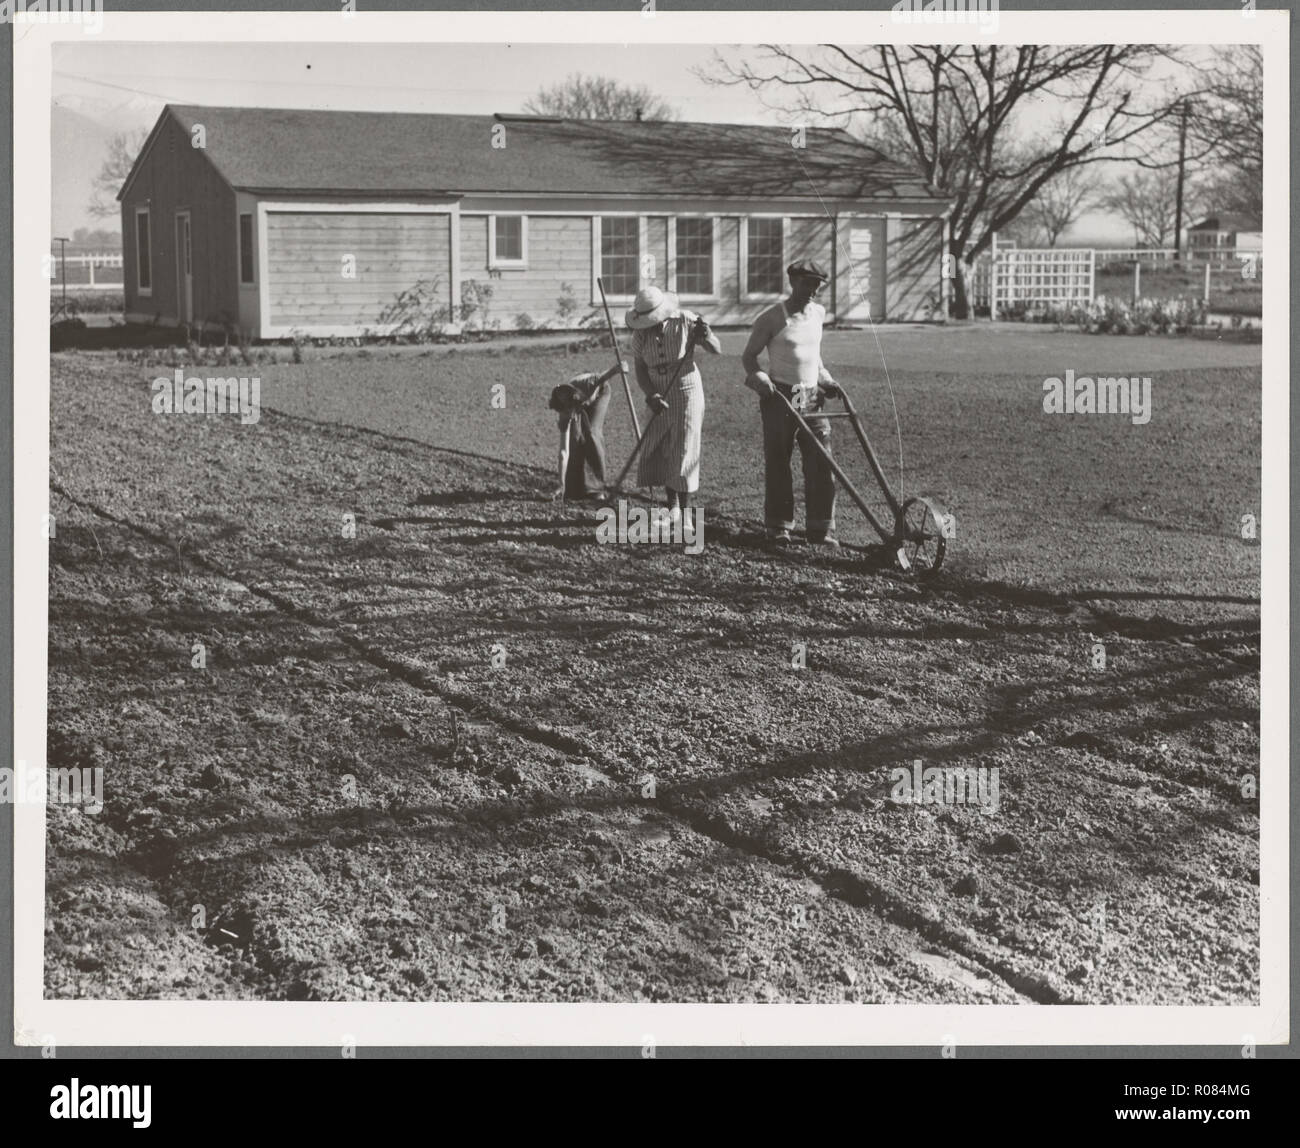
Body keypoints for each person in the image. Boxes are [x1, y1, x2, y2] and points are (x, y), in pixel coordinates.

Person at [741, 259, 842, 547]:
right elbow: (749, 356)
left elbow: (815, 355)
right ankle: (779, 526)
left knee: (822, 462)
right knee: (779, 462)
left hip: (811, 396)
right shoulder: (772, 317)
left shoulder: (818, 314)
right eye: (807, 283)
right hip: (781, 395)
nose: (812, 289)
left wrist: (826, 379)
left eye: (816, 284)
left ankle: (820, 528)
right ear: (792, 282)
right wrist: (759, 378)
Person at [625, 285, 721, 524]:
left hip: (686, 389)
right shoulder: (639, 334)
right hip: (658, 391)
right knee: (664, 446)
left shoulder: (686, 321)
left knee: (684, 448)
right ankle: (673, 509)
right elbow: (640, 369)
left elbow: (716, 350)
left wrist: (706, 334)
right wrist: (651, 395)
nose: (651, 325)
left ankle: (686, 515)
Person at [548, 360, 626, 502]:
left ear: (574, 405)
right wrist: (561, 484)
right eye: (564, 413)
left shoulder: (587, 385)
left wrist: (617, 369)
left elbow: (602, 377)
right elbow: (563, 452)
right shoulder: (563, 414)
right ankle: (574, 487)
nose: (567, 415)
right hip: (582, 397)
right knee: (575, 438)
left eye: (569, 411)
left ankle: (596, 488)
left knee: (591, 433)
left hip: (601, 390)